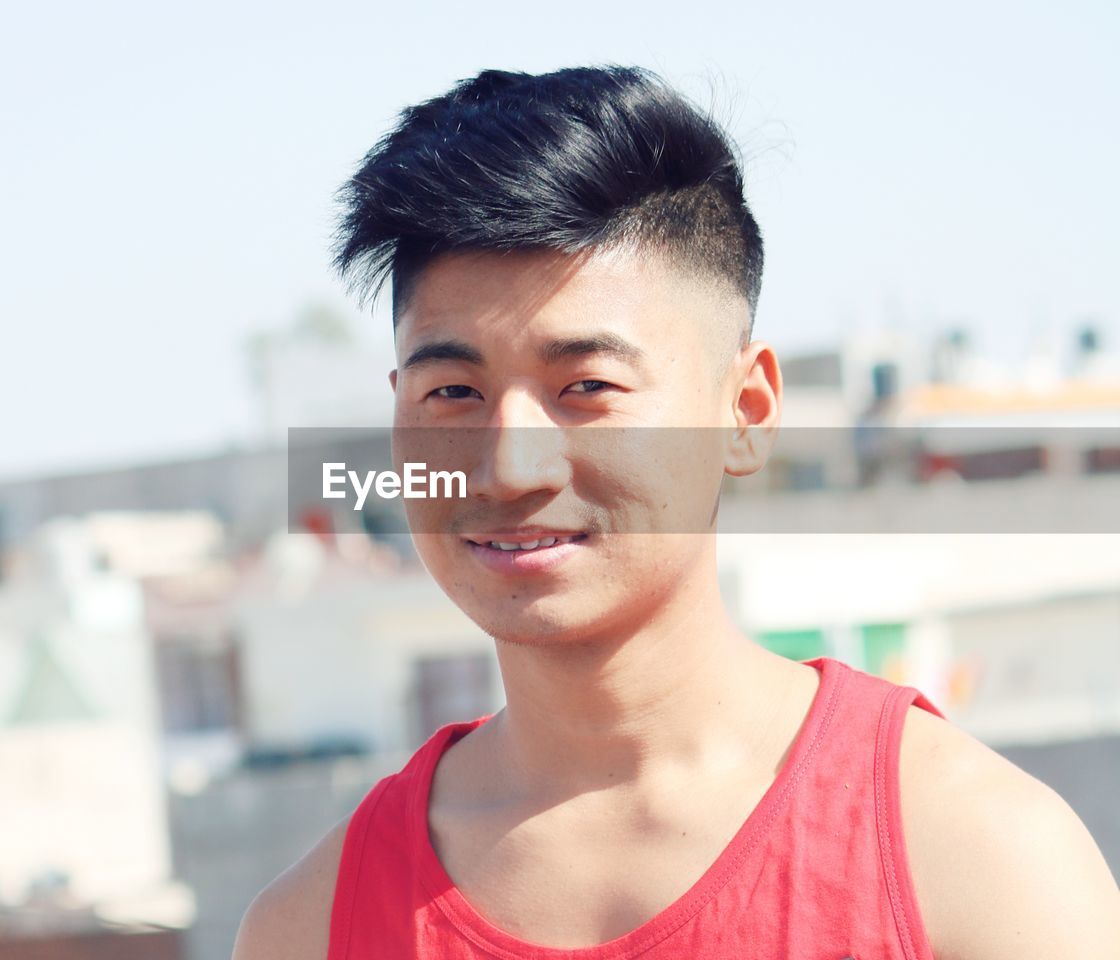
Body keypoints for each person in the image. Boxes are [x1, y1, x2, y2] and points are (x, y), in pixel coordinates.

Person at [233, 66, 1120, 959]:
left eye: (587, 386)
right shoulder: (309, 929)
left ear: (745, 411)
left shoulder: (975, 866)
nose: (509, 466)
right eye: (453, 391)